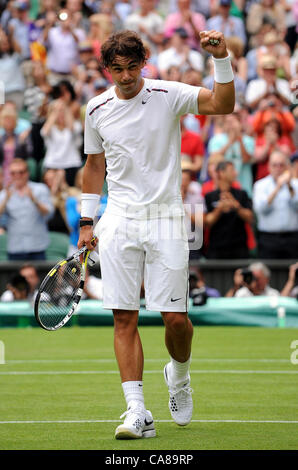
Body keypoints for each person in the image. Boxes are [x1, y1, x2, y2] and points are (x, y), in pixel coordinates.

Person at [78, 29, 235, 439]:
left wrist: (222, 58)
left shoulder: (169, 94)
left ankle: (178, 375)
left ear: (144, 60)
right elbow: (94, 167)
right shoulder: (95, 109)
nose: (126, 76)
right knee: (124, 317)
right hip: (120, 220)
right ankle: (136, 412)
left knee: (176, 320)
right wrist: (86, 221)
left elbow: (223, 103)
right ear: (105, 68)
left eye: (132, 67)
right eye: (117, 69)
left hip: (166, 217)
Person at [0, 158, 54, 260]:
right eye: (13, 173)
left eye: (21, 172)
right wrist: (5, 200)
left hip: (37, 246)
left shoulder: (40, 189)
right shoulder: (4, 194)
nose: (17, 176)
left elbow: (49, 213)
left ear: (27, 173)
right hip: (15, 248)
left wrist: (34, 200)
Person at [253, 150, 298, 259]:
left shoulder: (295, 184)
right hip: (268, 238)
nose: (278, 168)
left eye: (281, 165)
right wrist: (277, 188)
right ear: (269, 167)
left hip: (292, 238)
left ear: (287, 167)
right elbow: (261, 209)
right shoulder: (260, 185)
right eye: (274, 165)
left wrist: (289, 187)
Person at [204, 160, 254, 259]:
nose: (235, 173)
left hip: (239, 249)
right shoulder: (209, 196)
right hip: (217, 250)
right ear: (221, 173)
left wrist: (235, 206)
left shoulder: (242, 194)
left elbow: (250, 218)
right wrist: (220, 208)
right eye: (231, 170)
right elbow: (207, 223)